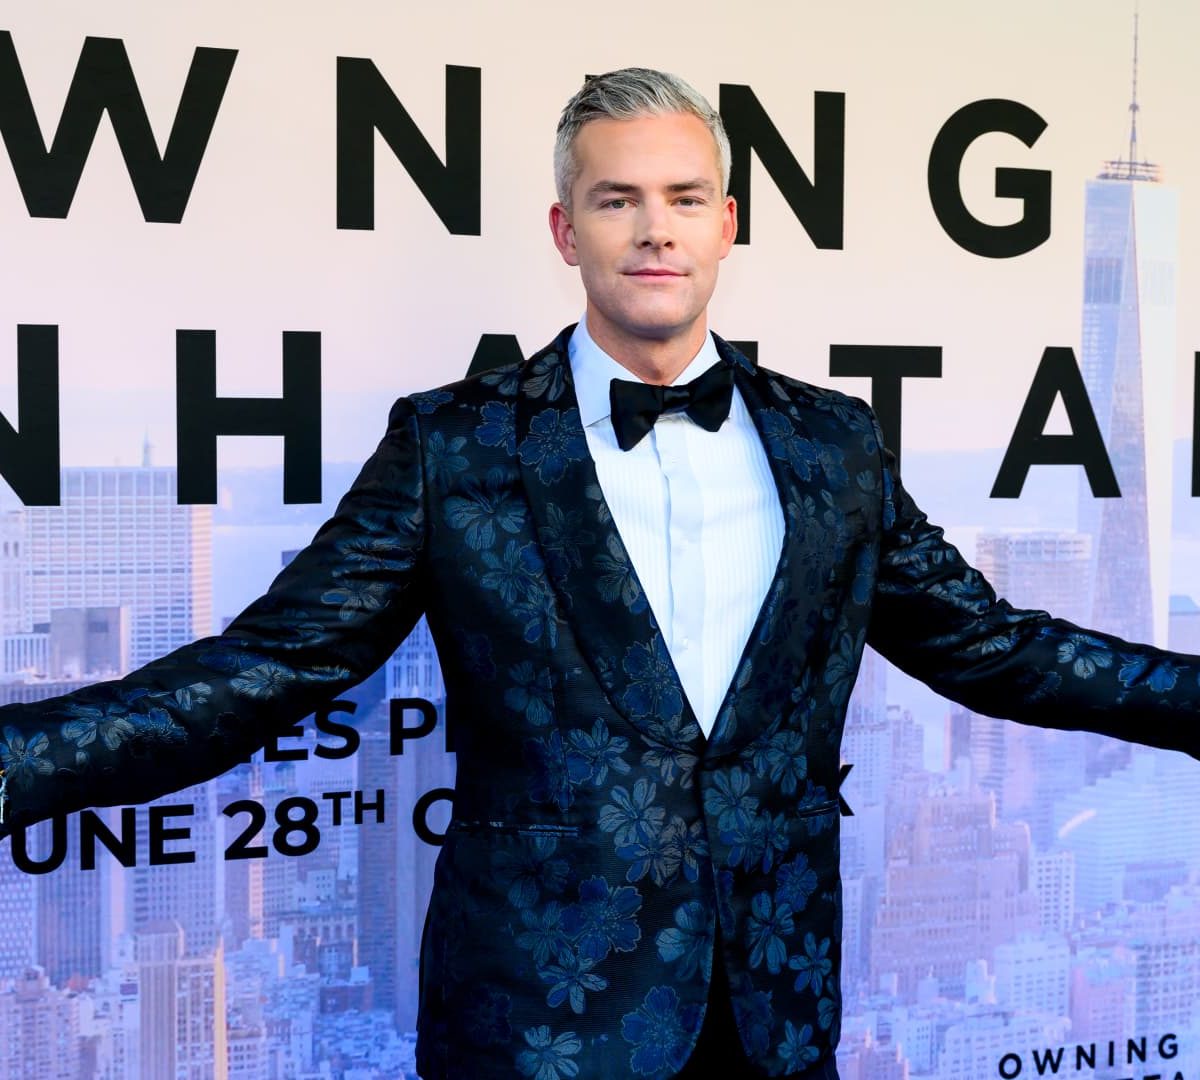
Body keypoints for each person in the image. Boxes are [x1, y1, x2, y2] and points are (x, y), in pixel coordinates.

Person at [1, 68, 1197, 1079]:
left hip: (775, 1021)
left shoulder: (833, 446)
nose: (655, 230)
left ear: (727, 223)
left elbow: (995, 648)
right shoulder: (455, 447)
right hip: (535, 1028)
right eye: (617, 199)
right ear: (567, 231)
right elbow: (269, 668)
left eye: (684, 198)